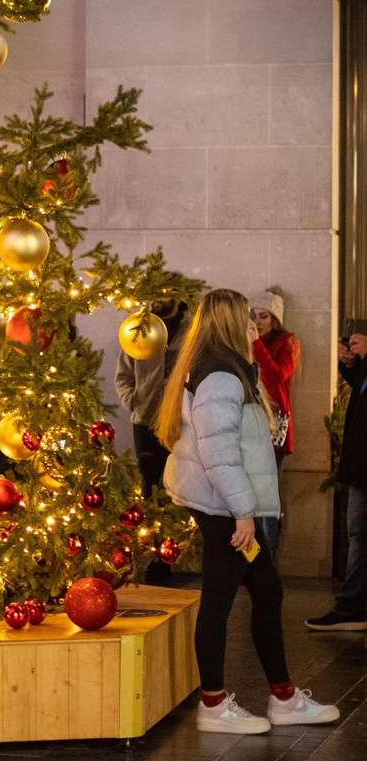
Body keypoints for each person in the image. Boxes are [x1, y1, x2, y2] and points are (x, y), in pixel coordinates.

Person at [155, 288, 340, 733]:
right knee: (220, 598)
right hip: (225, 508)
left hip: (229, 504)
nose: (253, 326)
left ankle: (283, 697)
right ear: (232, 321)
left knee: (267, 592)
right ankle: (215, 705)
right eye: (247, 318)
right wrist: (244, 513)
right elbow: (219, 452)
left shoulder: (230, 366)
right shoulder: (220, 373)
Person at [115, 297, 189, 583]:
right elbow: (122, 376)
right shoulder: (138, 328)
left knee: (176, 487)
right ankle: (155, 559)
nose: (158, 300)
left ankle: (176, 553)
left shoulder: (188, 330)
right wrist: (134, 402)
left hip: (177, 422)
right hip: (144, 421)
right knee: (150, 489)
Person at [308, 323, 367, 631]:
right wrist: (351, 367)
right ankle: (353, 605)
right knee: (358, 534)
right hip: (361, 465)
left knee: (360, 534)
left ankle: (352, 605)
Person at [249, 289, 298, 554]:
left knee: (267, 499)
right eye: (252, 315)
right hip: (248, 424)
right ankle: (251, 559)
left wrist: (256, 345)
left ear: (275, 319)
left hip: (272, 427)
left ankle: (267, 559)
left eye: (263, 316)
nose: (257, 321)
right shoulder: (244, 342)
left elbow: (276, 377)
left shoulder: (287, 343)